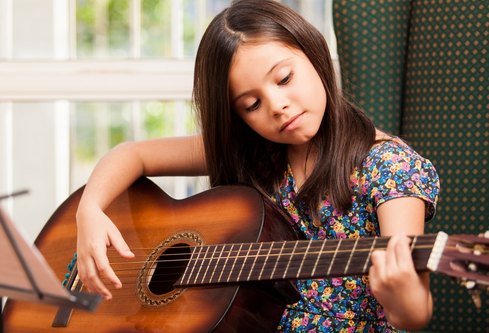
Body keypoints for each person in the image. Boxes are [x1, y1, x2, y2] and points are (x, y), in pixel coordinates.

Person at [75, 0, 440, 331]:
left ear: (314, 54)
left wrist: (402, 295)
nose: (277, 105)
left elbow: (414, 315)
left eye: (284, 78)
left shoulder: (390, 167)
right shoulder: (255, 150)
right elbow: (131, 154)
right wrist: (89, 210)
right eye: (251, 104)